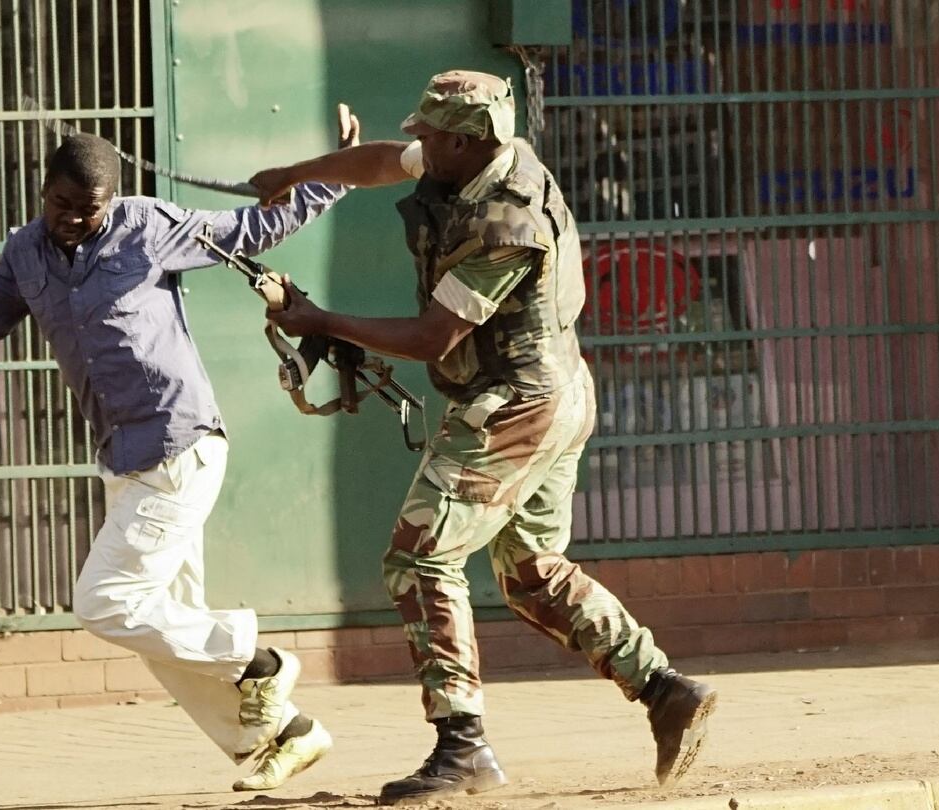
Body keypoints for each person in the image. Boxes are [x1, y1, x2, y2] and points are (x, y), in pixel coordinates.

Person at [249, 70, 717, 805]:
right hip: (555, 393)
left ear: (466, 141)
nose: (417, 142)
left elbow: (436, 337)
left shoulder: (507, 223)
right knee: (531, 571)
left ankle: (462, 749)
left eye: (429, 133)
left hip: (517, 408)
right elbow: (380, 162)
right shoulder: (477, 155)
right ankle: (664, 690)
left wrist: (320, 320)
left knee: (419, 558)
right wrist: (294, 176)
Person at [0, 125, 352, 792]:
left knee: (105, 602)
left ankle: (256, 661)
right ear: (43, 193)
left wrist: (343, 172)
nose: (71, 219)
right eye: (60, 203)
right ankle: (283, 733)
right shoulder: (26, 252)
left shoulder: (148, 226)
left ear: (112, 201)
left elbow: (249, 231)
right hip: (122, 456)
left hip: (180, 444)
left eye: (88, 208)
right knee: (157, 626)